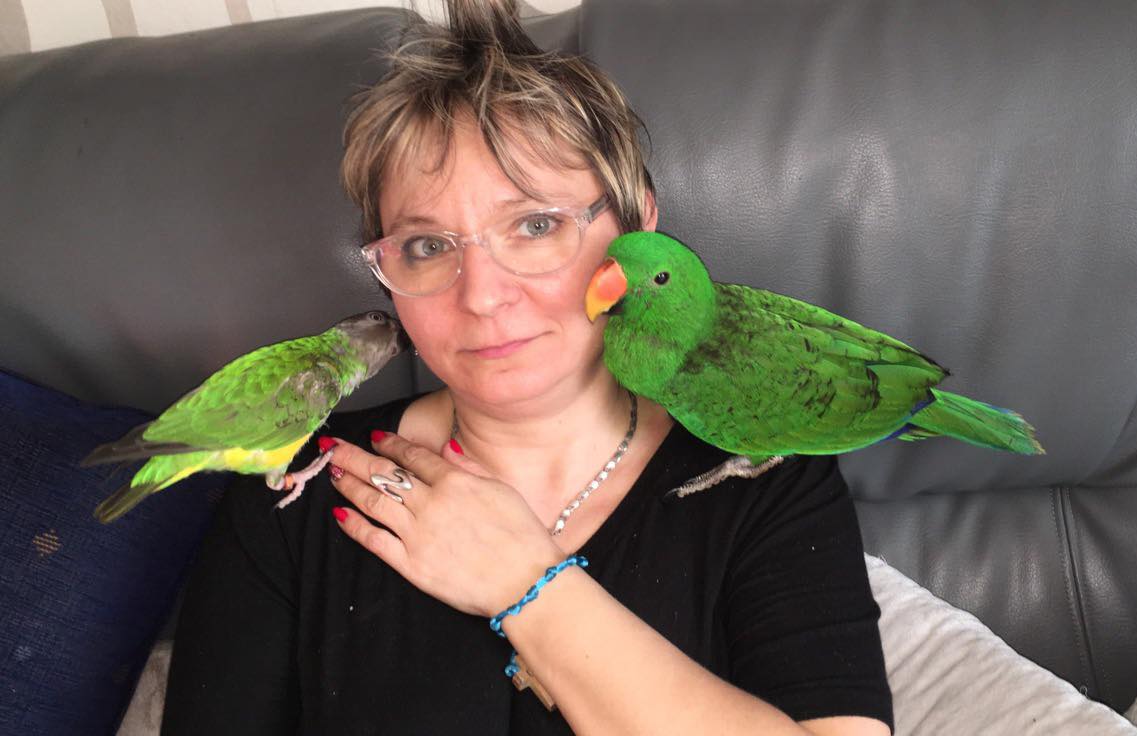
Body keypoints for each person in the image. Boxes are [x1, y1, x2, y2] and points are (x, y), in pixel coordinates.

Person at [162, 1, 894, 734]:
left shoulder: (763, 476)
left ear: (638, 227)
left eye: (536, 225)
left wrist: (529, 585)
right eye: (426, 246)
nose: (482, 296)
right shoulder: (293, 498)